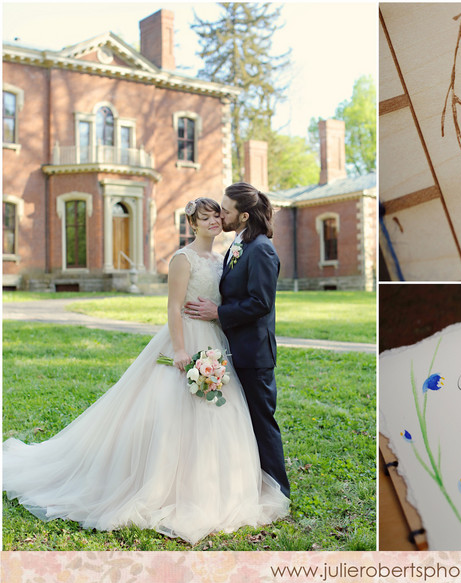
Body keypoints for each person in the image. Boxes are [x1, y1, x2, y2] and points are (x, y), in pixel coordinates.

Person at [3, 198, 289, 545]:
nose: (214, 221)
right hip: (185, 340)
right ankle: (164, 484)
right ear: (191, 224)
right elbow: (173, 306)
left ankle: (214, 483)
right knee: (172, 413)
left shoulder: (224, 258)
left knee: (220, 413)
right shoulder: (182, 259)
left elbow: (234, 300)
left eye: (217, 215)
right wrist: (181, 349)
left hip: (216, 343)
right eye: (205, 217)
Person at [185, 183, 291, 499]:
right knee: (242, 421)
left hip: (254, 354)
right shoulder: (238, 243)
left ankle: (278, 491)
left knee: (261, 422)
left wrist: (219, 311)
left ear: (243, 216)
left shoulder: (261, 249)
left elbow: (261, 302)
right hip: (234, 348)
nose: (221, 214)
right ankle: (249, 483)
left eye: (226, 210)